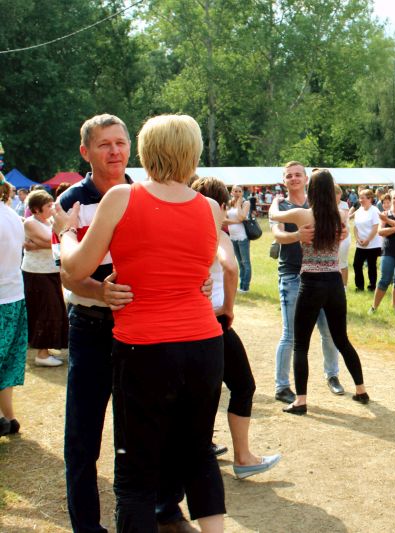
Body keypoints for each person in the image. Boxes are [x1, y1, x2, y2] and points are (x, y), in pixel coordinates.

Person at [54, 114, 226, 532]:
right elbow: (197, 269)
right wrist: (102, 292)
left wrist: (66, 234)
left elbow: (76, 266)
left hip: (143, 340)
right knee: (191, 451)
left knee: (136, 461)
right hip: (183, 338)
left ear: (141, 149)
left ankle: (165, 509)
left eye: (122, 142)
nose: (115, 151)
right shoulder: (209, 207)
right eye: (105, 144)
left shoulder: (126, 196)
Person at [191, 177, 281, 478]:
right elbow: (230, 267)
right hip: (213, 321)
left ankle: (202, 447)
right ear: (220, 205)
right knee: (242, 385)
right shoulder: (216, 234)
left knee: (201, 389)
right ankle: (243, 457)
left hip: (188, 321)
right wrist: (228, 307)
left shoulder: (183, 233)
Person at [269, 169, 369, 414]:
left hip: (311, 283)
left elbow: (273, 215)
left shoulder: (302, 214)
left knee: (300, 345)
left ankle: (300, 401)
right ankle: (361, 390)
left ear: (311, 190)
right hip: (334, 282)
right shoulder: (341, 214)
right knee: (341, 339)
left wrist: (276, 201)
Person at [271, 161, 343, 404]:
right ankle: (282, 386)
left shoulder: (318, 203)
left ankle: (332, 375)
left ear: (305, 178)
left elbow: (339, 227)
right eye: (289, 176)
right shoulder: (282, 205)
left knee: (329, 331)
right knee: (291, 334)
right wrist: (296, 235)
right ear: (284, 180)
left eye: (298, 175)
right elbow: (277, 234)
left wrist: (342, 232)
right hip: (292, 274)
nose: (294, 179)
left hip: (321, 276)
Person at [22, 189, 68, 366]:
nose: (52, 208)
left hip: (50, 271)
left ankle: (47, 348)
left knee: (54, 309)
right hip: (36, 273)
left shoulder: (49, 221)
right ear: (36, 209)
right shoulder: (30, 222)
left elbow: (55, 240)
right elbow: (54, 240)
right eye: (48, 206)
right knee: (47, 310)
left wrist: (39, 244)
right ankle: (41, 354)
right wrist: (54, 241)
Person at [0, 176, 26, 437]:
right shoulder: (11, 215)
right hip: (14, 295)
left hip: (3, 297)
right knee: (7, 361)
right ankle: (9, 417)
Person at [352, 188, 382, 292]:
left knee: (371, 265)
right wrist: (357, 239)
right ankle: (359, 286)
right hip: (360, 243)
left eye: (362, 198)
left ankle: (372, 286)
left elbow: (375, 227)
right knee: (356, 264)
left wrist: (368, 240)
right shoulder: (359, 211)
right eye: (359, 198)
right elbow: (355, 227)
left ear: (370, 199)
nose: (360, 200)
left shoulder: (374, 210)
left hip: (372, 244)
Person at [224, 185, 252, 293]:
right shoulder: (229, 203)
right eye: (235, 191)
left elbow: (241, 217)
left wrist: (239, 204)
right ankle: (241, 286)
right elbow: (224, 220)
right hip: (232, 237)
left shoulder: (246, 203)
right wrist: (236, 222)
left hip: (242, 236)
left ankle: (245, 287)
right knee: (239, 263)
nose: (237, 193)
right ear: (231, 192)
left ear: (242, 193)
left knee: (246, 262)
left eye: (240, 191)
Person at [334, 184, 350, 287]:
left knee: (343, 262)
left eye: (337, 193)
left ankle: (344, 286)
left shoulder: (344, 205)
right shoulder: (326, 205)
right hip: (331, 236)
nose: (336, 196)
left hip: (343, 236)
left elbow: (342, 219)